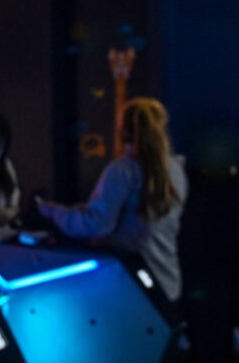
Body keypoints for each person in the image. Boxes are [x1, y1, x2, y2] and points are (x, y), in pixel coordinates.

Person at [37, 97, 188, 302]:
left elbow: (96, 224)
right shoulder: (176, 170)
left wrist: (54, 212)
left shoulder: (123, 170)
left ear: (124, 130)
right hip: (167, 284)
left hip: (130, 284)